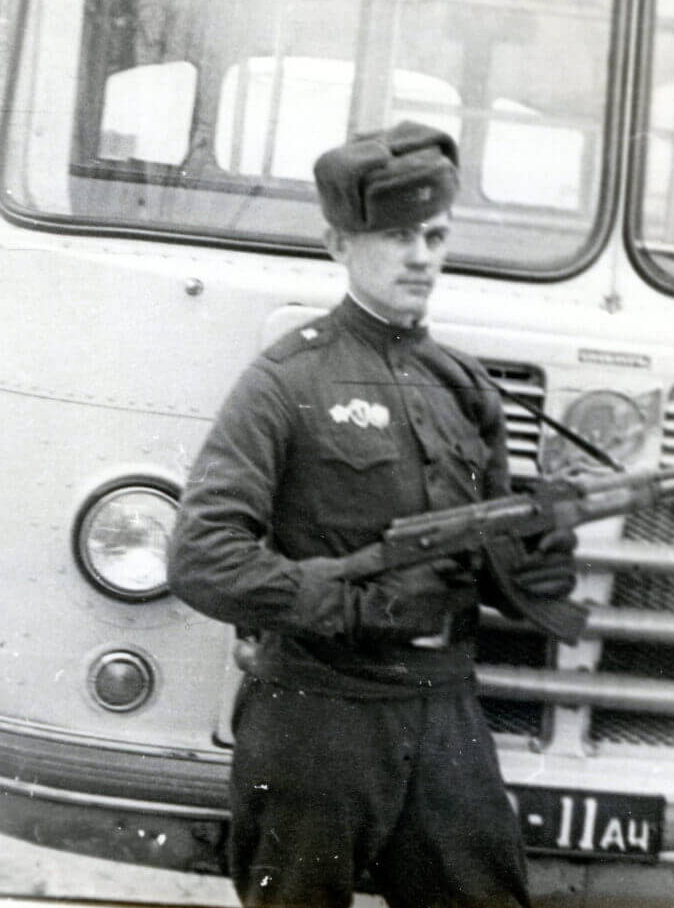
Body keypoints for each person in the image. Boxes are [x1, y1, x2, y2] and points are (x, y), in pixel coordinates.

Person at [168, 122, 578, 908]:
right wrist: (353, 602)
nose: (421, 255)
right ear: (338, 244)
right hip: (317, 720)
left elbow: (488, 554)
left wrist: (534, 566)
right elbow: (201, 557)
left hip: (443, 714)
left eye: (435, 234)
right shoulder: (286, 379)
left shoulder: (465, 387)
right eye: (395, 235)